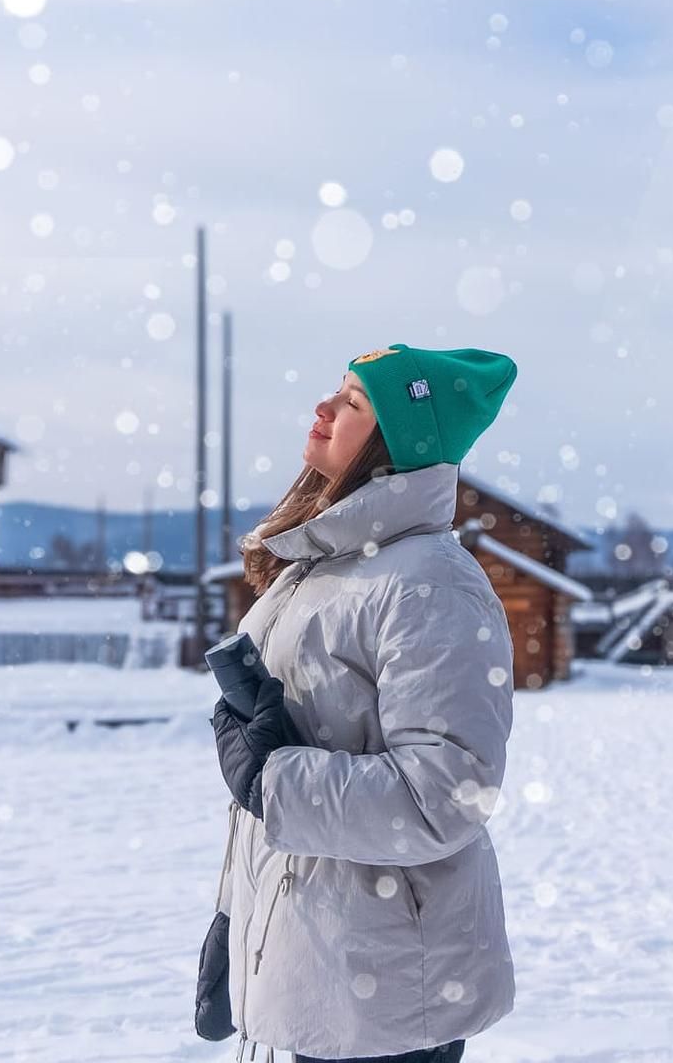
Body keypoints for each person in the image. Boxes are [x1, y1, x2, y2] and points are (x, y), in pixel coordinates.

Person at [210, 343, 520, 1063]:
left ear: (392, 447)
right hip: (321, 961)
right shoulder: (322, 568)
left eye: (353, 403)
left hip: (385, 987)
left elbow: (442, 796)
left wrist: (270, 778)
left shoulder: (428, 584)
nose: (324, 409)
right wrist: (236, 918)